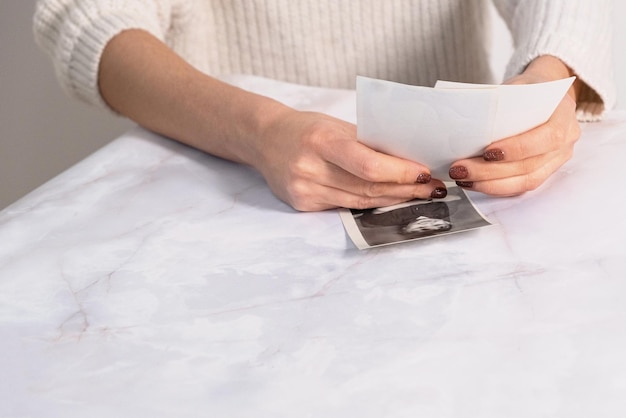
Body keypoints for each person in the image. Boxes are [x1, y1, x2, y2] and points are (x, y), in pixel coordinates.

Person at [33, 1, 615, 212]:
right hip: (224, 178)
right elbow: (87, 19)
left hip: (465, 180)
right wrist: (261, 131)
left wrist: (552, 73)